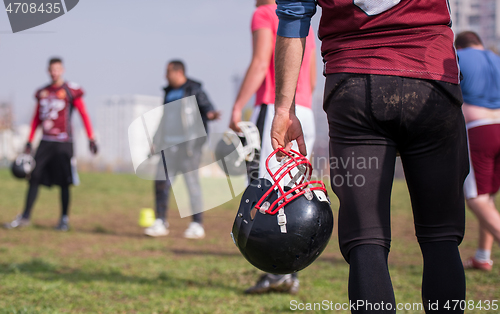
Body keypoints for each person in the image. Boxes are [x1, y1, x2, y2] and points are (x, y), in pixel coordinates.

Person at [271, 1, 468, 313]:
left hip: (355, 85)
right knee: (441, 236)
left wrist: (284, 108)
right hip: (430, 78)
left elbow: (294, 17)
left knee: (366, 239)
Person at [229, 0, 317, 294]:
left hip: (275, 109)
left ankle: (277, 272)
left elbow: (260, 61)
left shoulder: (265, 12)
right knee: (291, 195)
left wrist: (238, 105)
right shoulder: (307, 17)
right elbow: (314, 78)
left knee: (265, 193)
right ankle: (287, 270)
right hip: (304, 113)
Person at [5, 57, 97, 231]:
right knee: (33, 177)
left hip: (64, 142)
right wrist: (29, 141)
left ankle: (64, 219)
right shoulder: (43, 93)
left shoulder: (71, 91)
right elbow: (36, 119)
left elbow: (84, 114)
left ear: (62, 70)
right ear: (48, 71)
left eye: (57, 69)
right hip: (45, 142)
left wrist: (91, 138)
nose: (54, 72)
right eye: (51, 69)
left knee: (64, 181)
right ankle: (25, 217)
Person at [144, 60, 220, 239]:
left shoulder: (194, 89)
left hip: (189, 147)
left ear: (178, 72)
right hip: (168, 146)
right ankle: (160, 221)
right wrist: (156, 140)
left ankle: (196, 224)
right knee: (161, 183)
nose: (165, 76)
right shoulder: (169, 92)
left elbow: (207, 108)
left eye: (167, 72)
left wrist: (211, 114)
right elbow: (164, 119)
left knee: (191, 185)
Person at [455, 31, 500, 272]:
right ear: (479, 43)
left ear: (460, 45)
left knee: (475, 198)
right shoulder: (495, 58)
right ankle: (483, 256)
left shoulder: (459, 56)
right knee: (489, 196)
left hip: (479, 130)